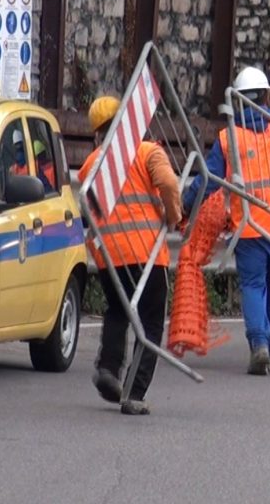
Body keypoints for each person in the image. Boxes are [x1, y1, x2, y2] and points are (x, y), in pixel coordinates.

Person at [182, 67, 270, 375]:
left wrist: (186, 206)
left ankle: (258, 343)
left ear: (239, 101)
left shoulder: (228, 138)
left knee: (253, 286)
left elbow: (208, 180)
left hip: (247, 228)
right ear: (268, 96)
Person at [79, 95, 182, 415]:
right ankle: (134, 393)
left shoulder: (88, 166)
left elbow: (87, 213)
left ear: (96, 131)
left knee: (118, 312)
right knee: (150, 323)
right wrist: (173, 215)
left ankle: (108, 368)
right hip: (146, 253)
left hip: (110, 256)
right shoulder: (147, 151)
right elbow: (167, 181)